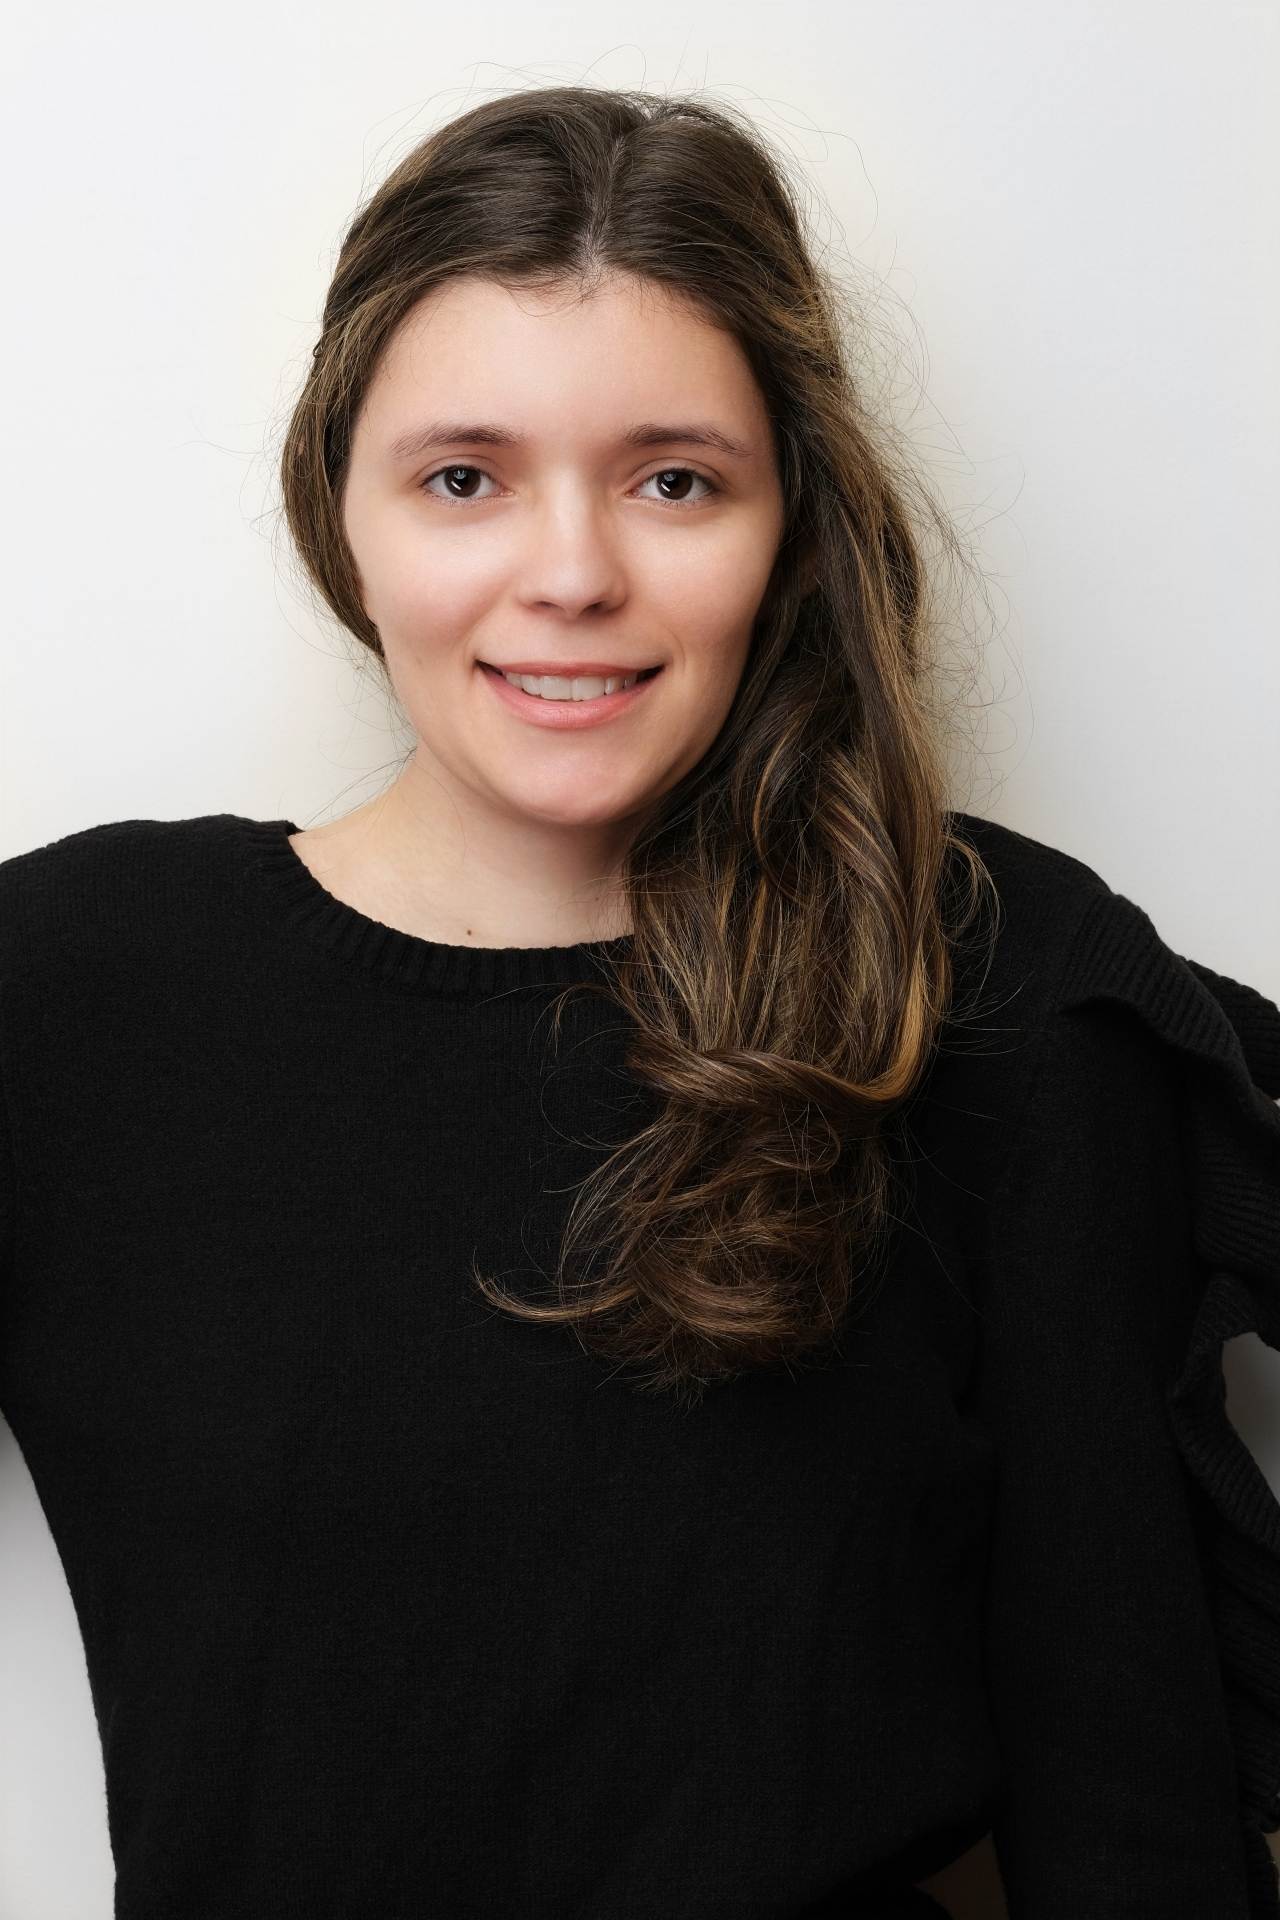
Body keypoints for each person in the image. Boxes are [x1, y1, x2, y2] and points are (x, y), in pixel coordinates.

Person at [1, 86, 1277, 1920]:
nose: (576, 572)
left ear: (789, 526)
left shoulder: (983, 981)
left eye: (675, 478)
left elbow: (1134, 1816)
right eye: (465, 477)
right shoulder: (70, 995)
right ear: (337, 512)